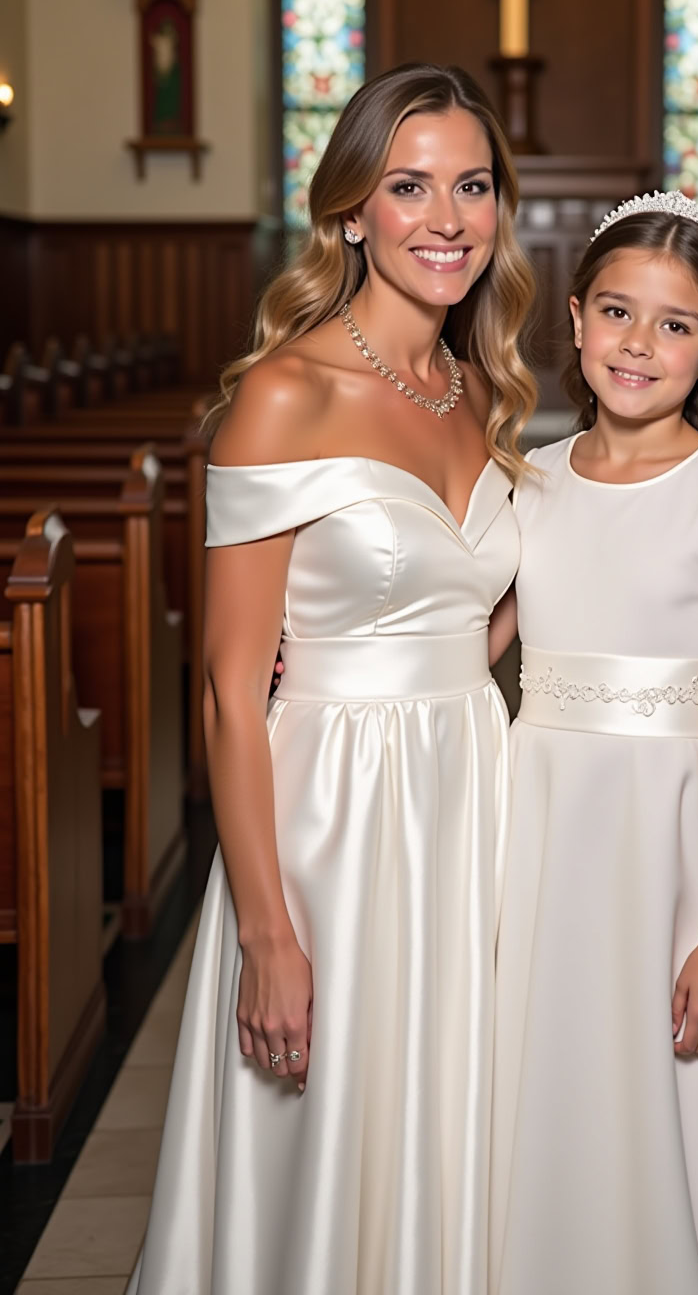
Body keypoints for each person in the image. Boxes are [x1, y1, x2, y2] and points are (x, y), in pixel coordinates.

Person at [127, 63, 536, 1295]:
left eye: (472, 185)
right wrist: (267, 931)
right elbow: (226, 686)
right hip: (334, 824)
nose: (447, 218)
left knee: (461, 1124)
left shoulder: (481, 391)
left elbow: (478, 612)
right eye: (409, 187)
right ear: (352, 210)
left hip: (473, 797)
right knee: (327, 1141)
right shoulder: (284, 395)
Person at [487, 192, 698, 1293]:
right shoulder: (526, 482)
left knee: (670, 1088)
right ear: (576, 320)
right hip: (541, 828)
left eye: (675, 325)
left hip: (680, 843)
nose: (638, 345)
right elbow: (459, 642)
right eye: (617, 313)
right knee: (555, 1078)